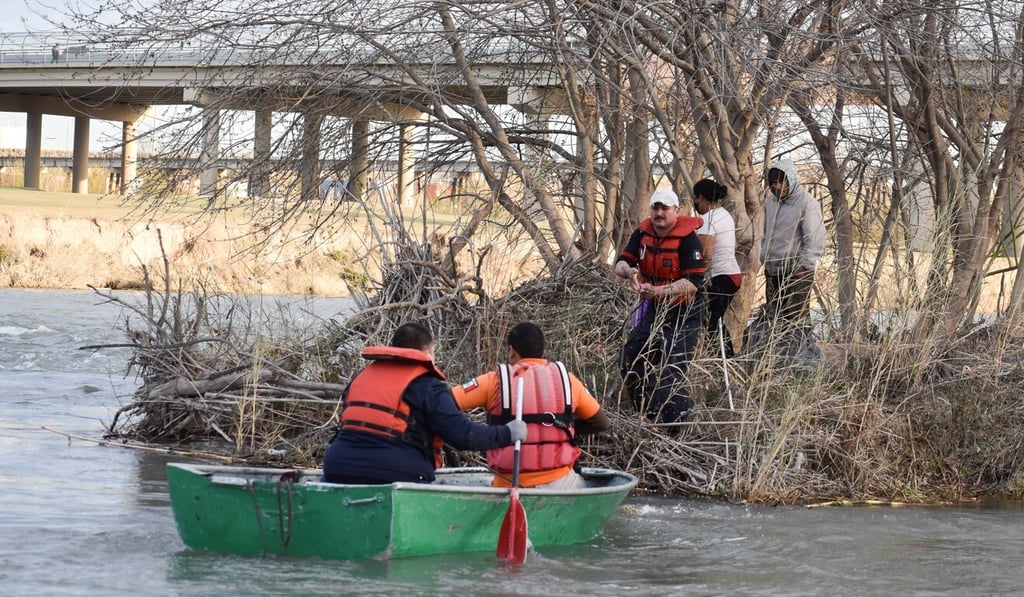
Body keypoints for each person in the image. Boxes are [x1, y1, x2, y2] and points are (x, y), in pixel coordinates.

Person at [322, 322, 527, 485]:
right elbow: (464, 436)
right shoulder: (427, 386)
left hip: (336, 466)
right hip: (393, 473)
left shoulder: (362, 378)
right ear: (428, 353)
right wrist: (508, 433)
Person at [451, 322, 610, 489]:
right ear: (543, 352)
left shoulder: (494, 382)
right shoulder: (568, 381)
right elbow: (601, 423)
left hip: (507, 484)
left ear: (511, 351)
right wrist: (566, 429)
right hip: (561, 484)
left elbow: (443, 402)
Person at [614, 188, 706, 430]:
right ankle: (648, 416)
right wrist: (630, 272)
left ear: (676, 211)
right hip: (655, 311)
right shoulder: (642, 233)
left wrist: (658, 292)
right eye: (655, 207)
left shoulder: (689, 240)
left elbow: (693, 283)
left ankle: (675, 434)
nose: (659, 213)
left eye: (665, 208)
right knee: (631, 360)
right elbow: (620, 264)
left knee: (670, 373)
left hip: (685, 314)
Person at [761, 159, 826, 330]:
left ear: (791, 179)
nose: (777, 186)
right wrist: (764, 258)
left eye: (781, 181)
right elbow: (764, 233)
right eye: (773, 182)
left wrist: (803, 267)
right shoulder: (770, 203)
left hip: (796, 272)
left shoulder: (807, 203)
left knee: (796, 322)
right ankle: (777, 356)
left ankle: (802, 356)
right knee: (775, 321)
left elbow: (814, 239)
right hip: (773, 271)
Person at [693, 179, 742, 357]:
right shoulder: (725, 215)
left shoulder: (707, 219)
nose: (695, 203)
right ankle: (724, 359)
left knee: (711, 323)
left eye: (696, 199)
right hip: (732, 274)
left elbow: (706, 254)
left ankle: (723, 361)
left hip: (720, 277)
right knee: (715, 321)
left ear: (701, 198)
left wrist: (696, 277)